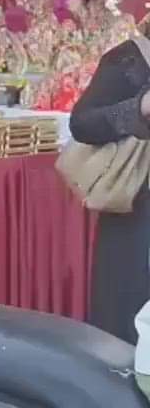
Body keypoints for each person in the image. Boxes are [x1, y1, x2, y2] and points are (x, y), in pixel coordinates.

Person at [70, 29, 150, 343]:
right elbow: (82, 123)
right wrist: (140, 107)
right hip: (137, 212)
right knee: (128, 323)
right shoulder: (130, 58)